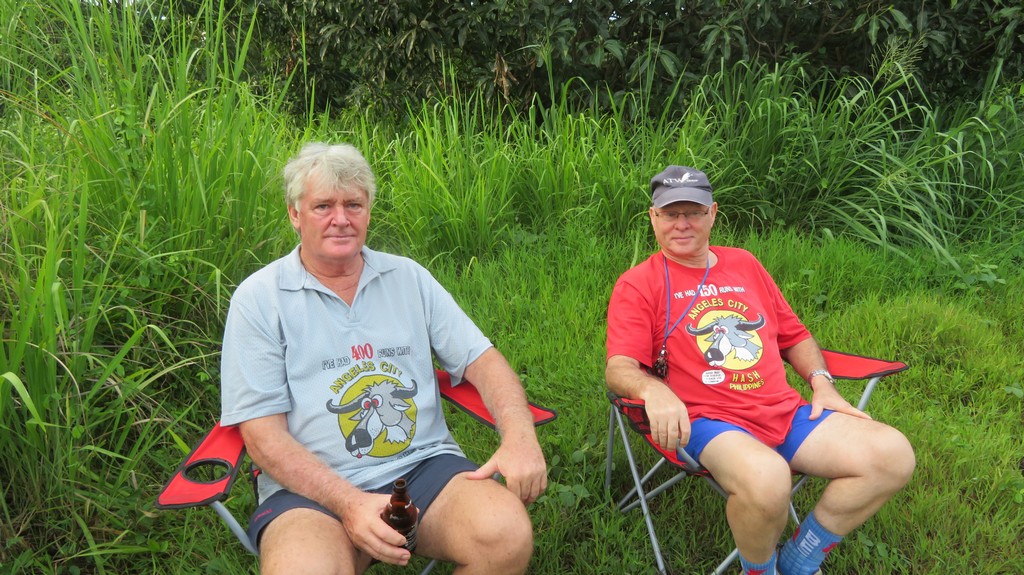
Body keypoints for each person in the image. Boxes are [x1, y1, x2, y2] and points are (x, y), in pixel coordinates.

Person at [220, 142, 547, 575]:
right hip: (309, 492)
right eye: (323, 206)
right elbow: (262, 435)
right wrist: (348, 503)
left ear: (369, 212)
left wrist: (520, 436)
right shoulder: (260, 299)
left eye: (353, 205)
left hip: (423, 469)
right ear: (295, 214)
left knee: (506, 535)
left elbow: (483, 361)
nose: (341, 219)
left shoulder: (407, 278)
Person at [604, 166, 915, 575]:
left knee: (893, 455)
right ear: (653, 217)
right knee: (768, 480)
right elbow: (619, 367)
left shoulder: (744, 264)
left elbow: (794, 335)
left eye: (693, 212)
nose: (682, 224)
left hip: (783, 411)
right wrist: (652, 390)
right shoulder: (638, 284)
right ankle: (760, 570)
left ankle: (801, 557)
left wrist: (822, 383)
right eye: (670, 213)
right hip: (706, 422)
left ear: (713, 213)